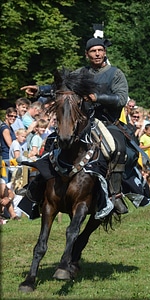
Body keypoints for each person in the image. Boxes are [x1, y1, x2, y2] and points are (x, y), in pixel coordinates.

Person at [17, 37, 137, 219]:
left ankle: (115, 194)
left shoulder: (115, 73)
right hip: (82, 121)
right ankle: (36, 187)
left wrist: (99, 97)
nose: (97, 53)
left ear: (104, 52)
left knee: (117, 148)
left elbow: (121, 98)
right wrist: (40, 90)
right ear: (87, 54)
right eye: (93, 51)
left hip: (107, 122)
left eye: (100, 50)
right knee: (52, 142)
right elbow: (63, 88)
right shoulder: (81, 73)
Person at [0, 107, 17, 183]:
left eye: (15, 116)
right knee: (5, 181)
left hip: (10, 158)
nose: (13, 118)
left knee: (11, 182)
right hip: (6, 158)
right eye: (11, 116)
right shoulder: (5, 128)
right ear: (6, 116)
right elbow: (10, 145)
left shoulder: (10, 127)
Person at [139, 123, 150, 192]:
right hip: (144, 156)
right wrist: (149, 145)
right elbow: (140, 147)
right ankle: (145, 186)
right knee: (145, 171)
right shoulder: (143, 137)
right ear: (145, 130)